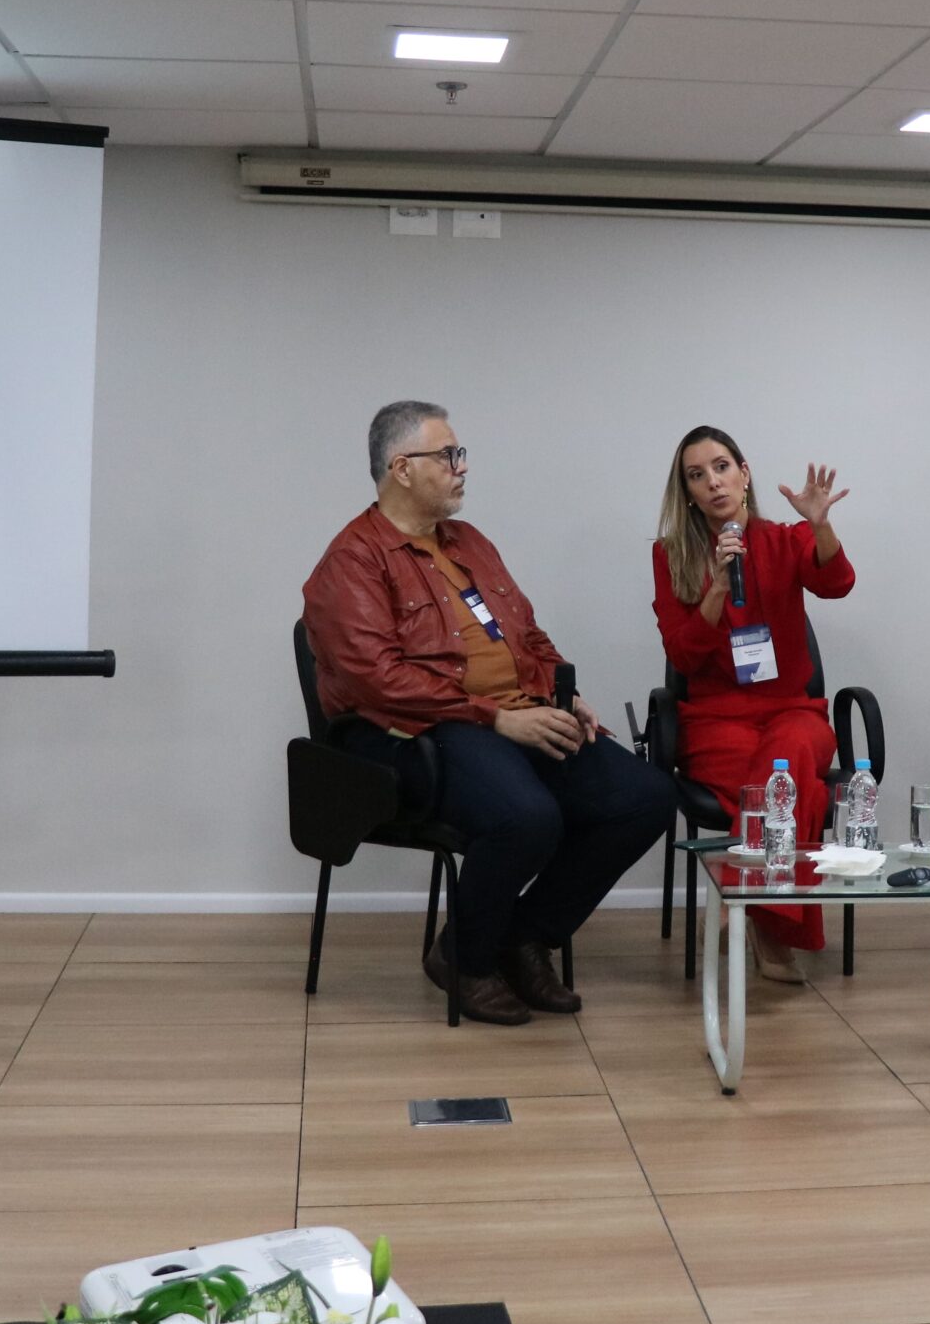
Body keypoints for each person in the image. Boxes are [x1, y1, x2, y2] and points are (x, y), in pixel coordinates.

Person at [302, 400, 675, 1026]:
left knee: (643, 797)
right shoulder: (352, 562)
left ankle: (522, 937)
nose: (462, 466)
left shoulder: (469, 543)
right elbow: (378, 680)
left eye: (460, 453)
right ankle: (467, 960)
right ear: (402, 468)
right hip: (412, 735)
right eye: (447, 455)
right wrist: (495, 718)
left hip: (510, 720)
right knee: (527, 816)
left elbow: (527, 635)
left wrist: (562, 691)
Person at [648, 426, 853, 982]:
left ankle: (750, 905)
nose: (713, 482)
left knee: (783, 765)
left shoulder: (785, 540)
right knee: (793, 787)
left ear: (745, 473)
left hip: (794, 711)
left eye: (721, 467)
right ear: (687, 492)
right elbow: (684, 657)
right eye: (697, 475)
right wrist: (716, 584)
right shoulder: (670, 556)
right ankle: (773, 927)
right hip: (717, 721)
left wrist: (820, 523)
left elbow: (837, 584)